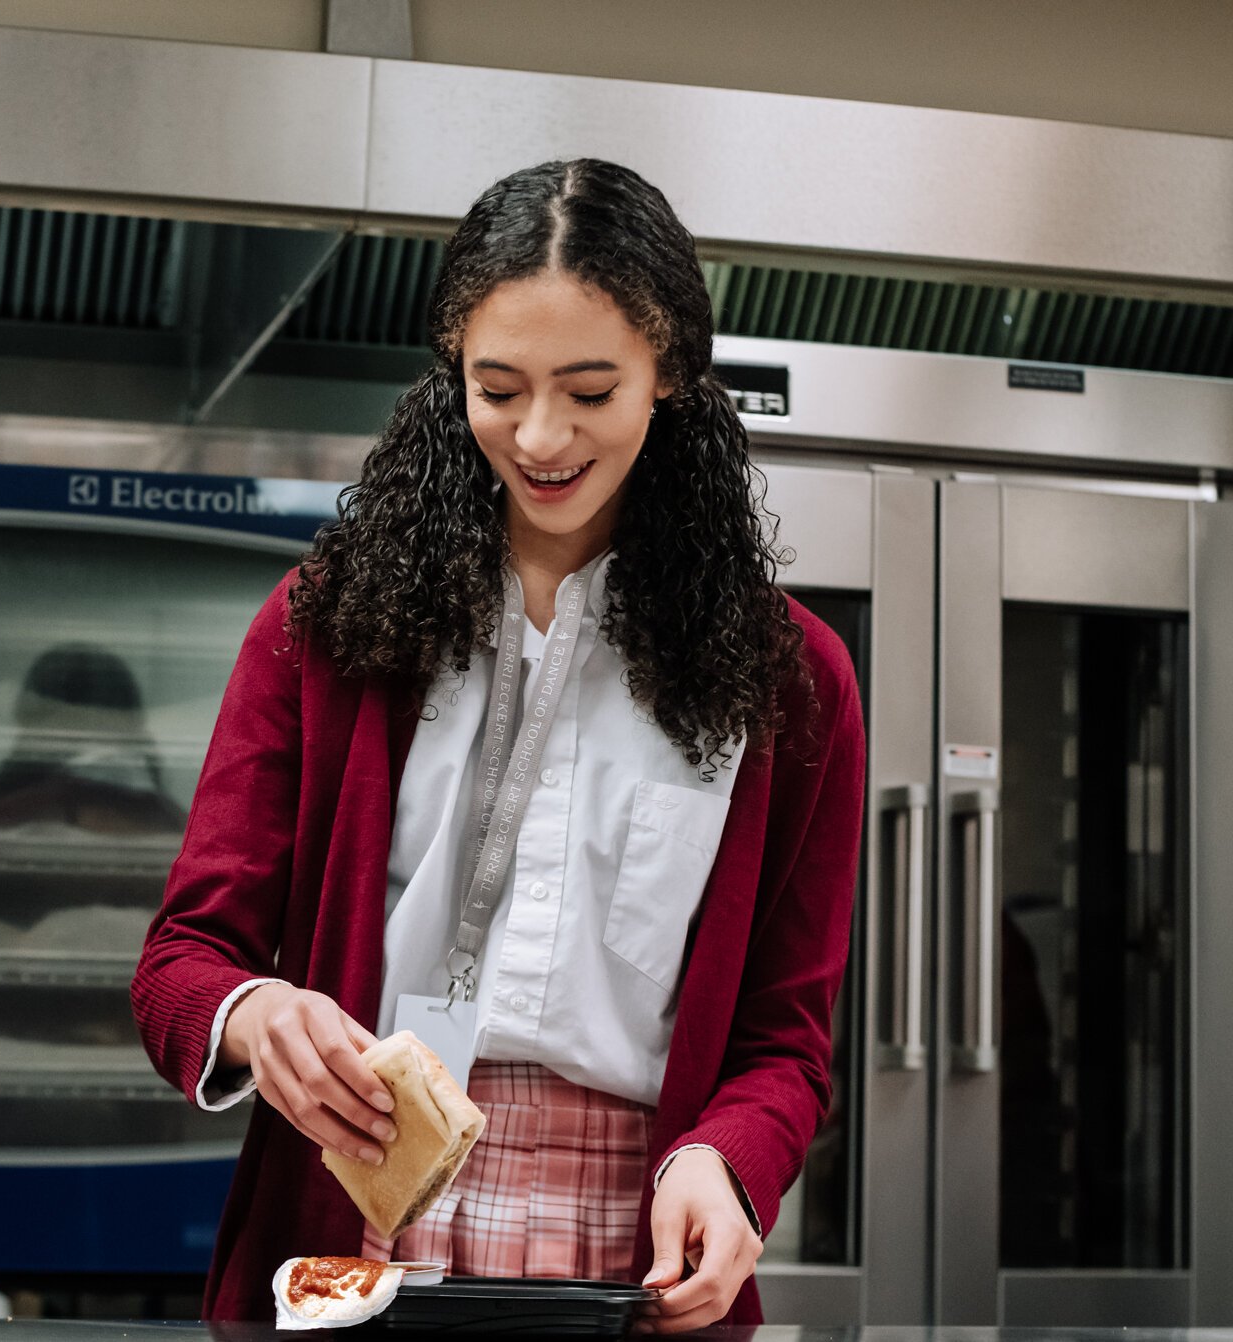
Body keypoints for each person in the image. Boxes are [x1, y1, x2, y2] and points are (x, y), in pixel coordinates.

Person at [132, 158, 864, 1331]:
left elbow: (786, 1040)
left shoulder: (794, 682)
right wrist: (257, 1013)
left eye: (589, 389)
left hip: (630, 1246)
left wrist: (725, 1160)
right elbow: (182, 959)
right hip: (347, 1219)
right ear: (451, 374)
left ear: (668, 373)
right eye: (497, 386)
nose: (539, 435)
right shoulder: (322, 628)